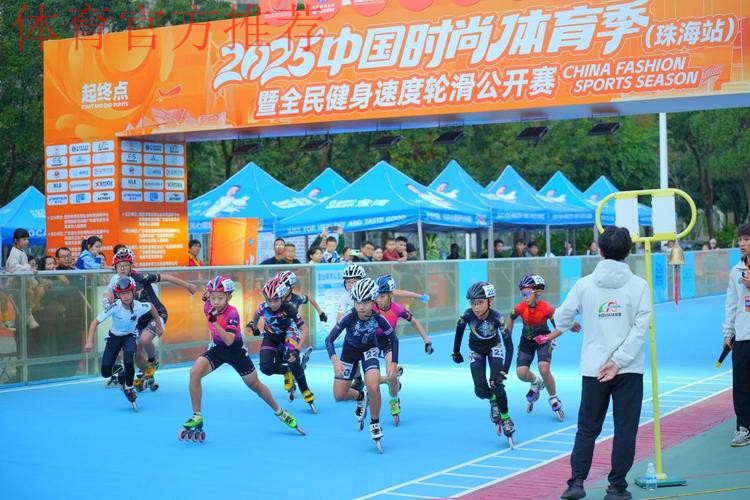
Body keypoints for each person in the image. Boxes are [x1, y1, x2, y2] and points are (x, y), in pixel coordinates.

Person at [555, 226, 651, 500]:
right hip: (628, 369)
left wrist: (571, 322)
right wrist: (618, 361)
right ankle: (617, 487)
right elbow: (640, 330)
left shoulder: (584, 284)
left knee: (587, 428)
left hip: (594, 368)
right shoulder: (639, 286)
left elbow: (561, 318)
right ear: (628, 251)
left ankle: (576, 482)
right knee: (625, 430)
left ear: (600, 250)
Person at [181, 275, 302, 440]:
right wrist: (207, 294)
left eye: (220, 298)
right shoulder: (208, 304)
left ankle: (281, 412)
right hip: (217, 350)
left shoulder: (232, 313)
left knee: (255, 385)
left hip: (236, 352)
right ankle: (197, 415)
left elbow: (229, 340)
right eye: (213, 298)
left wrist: (215, 322)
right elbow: (206, 295)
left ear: (229, 297)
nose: (215, 302)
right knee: (194, 372)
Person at [103, 248, 199, 391]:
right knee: (135, 352)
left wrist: (188, 286)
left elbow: (166, 277)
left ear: (131, 266)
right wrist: (106, 301)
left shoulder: (141, 277)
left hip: (156, 314)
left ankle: (153, 360)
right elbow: (108, 292)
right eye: (119, 266)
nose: (122, 268)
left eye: (126, 265)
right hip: (137, 320)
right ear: (115, 267)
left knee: (144, 339)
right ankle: (148, 376)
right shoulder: (115, 280)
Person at [325, 278, 399, 450]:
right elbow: (329, 340)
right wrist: (335, 361)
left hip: (369, 350)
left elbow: (394, 340)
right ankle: (361, 397)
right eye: (357, 302)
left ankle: (375, 422)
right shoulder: (349, 317)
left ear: (373, 301)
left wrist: (393, 363)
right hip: (349, 352)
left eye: (365, 302)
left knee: (373, 385)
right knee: (339, 395)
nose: (361, 307)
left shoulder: (379, 318)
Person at [84, 277, 162, 411]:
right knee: (105, 373)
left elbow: (152, 307)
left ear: (133, 292)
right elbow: (94, 322)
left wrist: (159, 325)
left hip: (129, 337)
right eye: (122, 294)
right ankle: (120, 372)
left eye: (128, 293)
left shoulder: (140, 306)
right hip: (114, 338)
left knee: (129, 360)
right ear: (118, 295)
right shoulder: (115, 307)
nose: (125, 296)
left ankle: (129, 388)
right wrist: (89, 341)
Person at [452, 282, 515, 440]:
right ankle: (493, 400)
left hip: (494, 347)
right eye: (473, 303)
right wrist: (456, 352)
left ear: (490, 301)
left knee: (496, 384)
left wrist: (505, 369)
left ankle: (506, 418)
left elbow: (509, 347)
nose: (476, 307)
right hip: (476, 350)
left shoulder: (497, 318)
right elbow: (459, 332)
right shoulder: (466, 315)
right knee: (480, 391)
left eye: (480, 302)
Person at [248, 277, 316, 409]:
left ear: (282, 298)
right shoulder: (262, 307)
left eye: (275, 300)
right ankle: (287, 371)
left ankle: (305, 390)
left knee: (292, 360)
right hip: (271, 336)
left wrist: (297, 348)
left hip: (288, 334)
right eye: (269, 301)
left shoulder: (289, 308)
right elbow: (256, 316)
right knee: (265, 368)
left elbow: (304, 329)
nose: (272, 304)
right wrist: (255, 328)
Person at [373, 274, 432, 425]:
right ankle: (390, 380)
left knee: (391, 375)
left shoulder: (397, 308)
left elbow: (414, 321)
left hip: (388, 342)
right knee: (373, 380)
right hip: (371, 343)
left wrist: (426, 340)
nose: (378, 299)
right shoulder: (370, 305)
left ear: (390, 295)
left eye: (382, 296)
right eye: (376, 295)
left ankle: (394, 401)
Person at [506, 274, 564, 419]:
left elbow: (559, 328)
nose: (524, 297)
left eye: (527, 293)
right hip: (526, 340)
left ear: (537, 292)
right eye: (522, 294)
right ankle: (536, 382)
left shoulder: (547, 309)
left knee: (544, 368)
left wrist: (549, 338)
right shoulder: (520, 307)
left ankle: (553, 398)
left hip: (543, 339)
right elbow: (510, 318)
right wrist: (508, 336)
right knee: (521, 373)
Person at [722, 223, 750, 447]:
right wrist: (728, 332)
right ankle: (744, 428)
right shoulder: (736, 271)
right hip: (742, 336)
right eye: (740, 239)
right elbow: (731, 304)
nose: (742, 243)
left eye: (747, 239)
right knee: (741, 385)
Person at [5, 228, 40, 328]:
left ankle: (29, 312)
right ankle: (28, 315)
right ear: (16, 240)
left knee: (40, 290)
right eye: (24, 239)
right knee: (30, 293)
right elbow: (13, 267)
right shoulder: (14, 252)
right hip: (15, 284)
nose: (27, 241)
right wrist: (28, 267)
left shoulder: (22, 252)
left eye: (27, 239)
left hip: (24, 282)